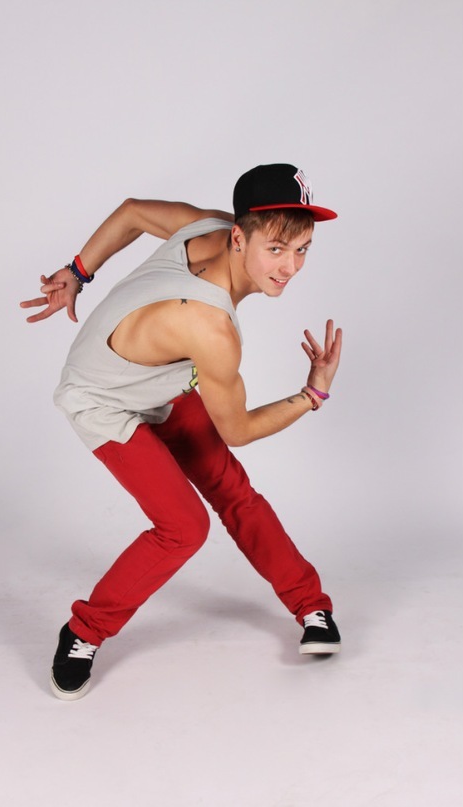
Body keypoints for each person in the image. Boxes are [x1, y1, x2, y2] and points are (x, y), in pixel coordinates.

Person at [21, 163, 343, 701]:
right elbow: (238, 429)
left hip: (161, 382)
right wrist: (313, 395)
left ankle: (312, 607)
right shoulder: (211, 329)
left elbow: (132, 213)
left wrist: (78, 271)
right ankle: (83, 632)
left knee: (233, 490)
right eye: (276, 249)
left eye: (302, 249)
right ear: (239, 238)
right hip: (103, 399)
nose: (290, 267)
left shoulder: (208, 226)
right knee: (184, 527)